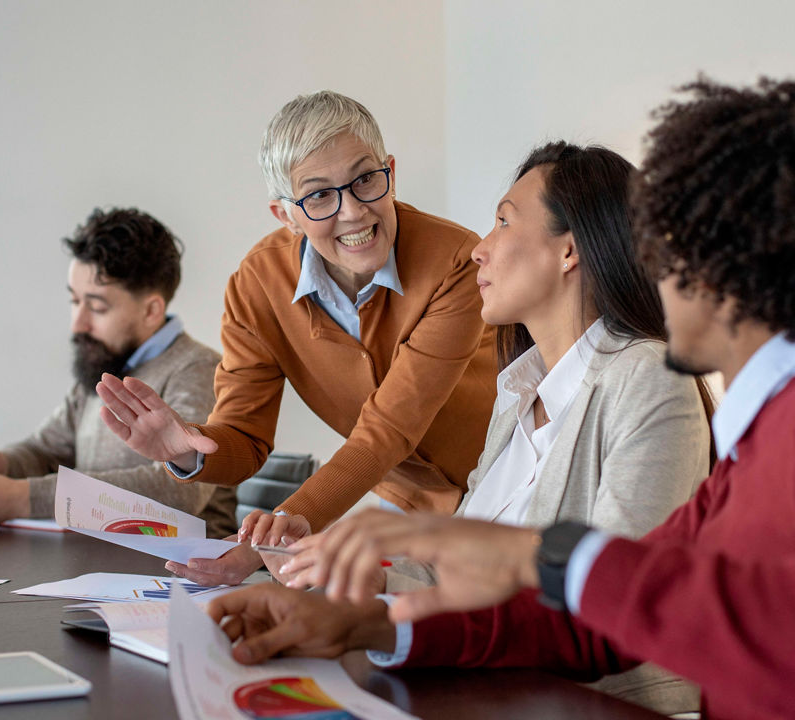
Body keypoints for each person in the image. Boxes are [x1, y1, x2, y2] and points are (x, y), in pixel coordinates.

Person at [207, 77, 795, 718]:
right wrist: (371, 623)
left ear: (728, 250)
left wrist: (538, 555)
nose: (643, 258)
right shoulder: (764, 439)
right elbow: (597, 624)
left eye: (661, 234)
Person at [247, 141, 715, 713]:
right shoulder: (518, 392)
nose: (479, 250)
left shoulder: (646, 376)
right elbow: (453, 575)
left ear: (569, 250)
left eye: (502, 222)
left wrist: (380, 607)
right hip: (485, 692)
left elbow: (609, 602)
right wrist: (348, 571)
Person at [95, 90, 498, 584]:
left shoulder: (456, 260)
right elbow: (245, 437)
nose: (352, 212)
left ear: (390, 171)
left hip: (511, 485)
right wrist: (187, 450)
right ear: (285, 214)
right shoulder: (256, 285)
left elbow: (393, 425)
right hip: (409, 502)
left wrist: (287, 522)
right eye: (319, 195)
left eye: (366, 179)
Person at [0, 209, 236, 537]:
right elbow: (46, 450)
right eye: (75, 301)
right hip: (95, 568)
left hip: (180, 577)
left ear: (151, 311)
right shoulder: (106, 363)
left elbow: (178, 492)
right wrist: (6, 465)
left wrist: (22, 498)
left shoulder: (198, 370)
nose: (78, 324)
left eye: (97, 307)